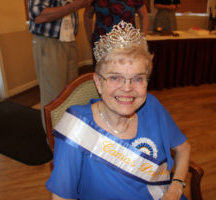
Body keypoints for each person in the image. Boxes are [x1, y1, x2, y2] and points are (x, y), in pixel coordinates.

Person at [46, 21, 191, 200]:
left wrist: (176, 187)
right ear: (98, 82)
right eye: (115, 77)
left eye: (138, 79)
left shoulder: (152, 106)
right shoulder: (77, 127)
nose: (127, 88)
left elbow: (184, 149)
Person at [28, 0, 92, 130]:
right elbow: (38, 15)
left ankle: (66, 138)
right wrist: (78, 4)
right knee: (54, 98)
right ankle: (53, 144)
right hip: (50, 42)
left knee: (70, 96)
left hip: (69, 41)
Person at [83, 0, 149, 66]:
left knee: (127, 71)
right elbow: (87, 16)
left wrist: (142, 39)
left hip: (127, 45)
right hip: (102, 45)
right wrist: (90, 39)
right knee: (103, 71)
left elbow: (144, 16)